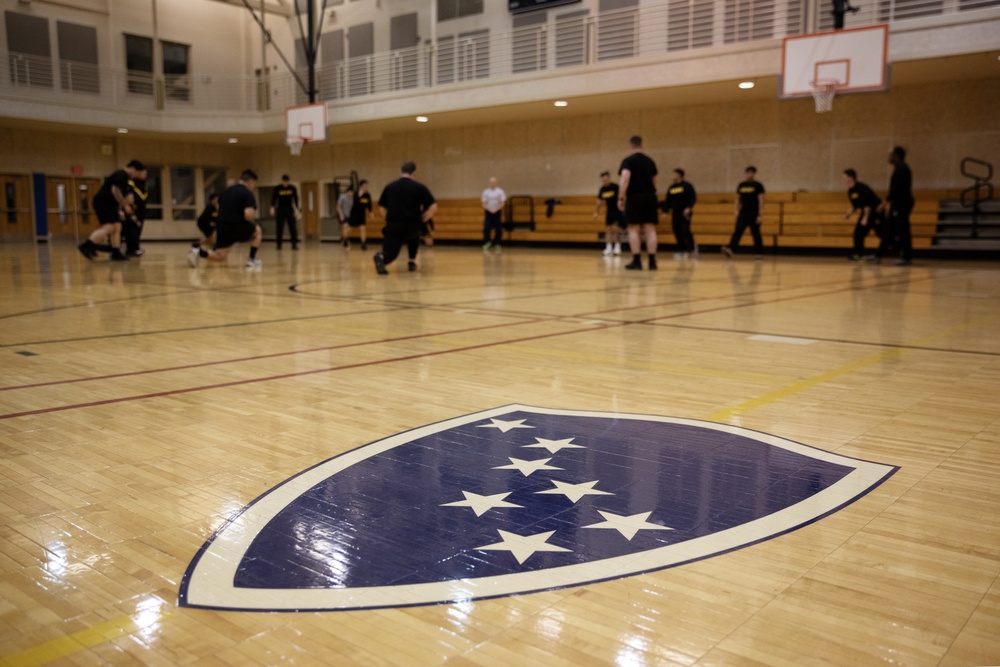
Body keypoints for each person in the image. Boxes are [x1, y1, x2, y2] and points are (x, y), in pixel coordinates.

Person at [188, 169, 262, 268]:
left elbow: (220, 208)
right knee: (257, 231)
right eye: (254, 184)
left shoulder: (226, 191)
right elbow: (248, 215)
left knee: (220, 256)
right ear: (251, 181)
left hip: (222, 227)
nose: (253, 187)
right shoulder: (246, 193)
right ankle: (251, 259)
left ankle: (198, 252)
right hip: (236, 226)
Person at [373, 161, 437, 275]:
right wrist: (424, 219)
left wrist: (388, 217)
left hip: (394, 225)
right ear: (414, 172)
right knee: (415, 236)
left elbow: (381, 206)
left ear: (401, 171)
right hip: (412, 225)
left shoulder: (390, 187)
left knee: (391, 253)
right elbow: (433, 206)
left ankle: (381, 256)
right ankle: (411, 261)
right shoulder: (419, 187)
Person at [78, 159, 146, 262]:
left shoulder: (126, 178)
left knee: (118, 226)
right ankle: (87, 245)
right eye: (137, 173)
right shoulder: (121, 175)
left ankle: (116, 252)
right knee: (110, 227)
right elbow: (115, 191)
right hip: (103, 203)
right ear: (132, 169)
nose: (136, 176)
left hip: (110, 205)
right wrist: (125, 205)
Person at [617, 135, 659, 270]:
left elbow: (625, 178)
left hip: (635, 197)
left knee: (633, 228)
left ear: (630, 146)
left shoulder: (628, 161)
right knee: (650, 229)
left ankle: (637, 260)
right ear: (641, 145)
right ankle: (652, 262)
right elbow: (654, 181)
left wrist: (621, 197)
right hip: (650, 196)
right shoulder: (650, 161)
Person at [876, 146, 914, 266]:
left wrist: (885, 203)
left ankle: (906, 257)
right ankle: (878, 255)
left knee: (902, 230)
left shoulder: (902, 169)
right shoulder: (900, 168)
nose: (889, 157)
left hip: (902, 203)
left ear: (897, 155)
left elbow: (896, 190)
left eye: (891, 154)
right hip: (899, 203)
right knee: (889, 229)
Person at [722, 166, 766, 258]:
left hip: (754, 213)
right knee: (737, 231)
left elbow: (761, 200)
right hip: (743, 213)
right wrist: (736, 210)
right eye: (747, 172)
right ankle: (731, 249)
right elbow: (737, 199)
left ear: (754, 174)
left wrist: (760, 214)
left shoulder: (758, 185)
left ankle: (759, 252)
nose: (749, 174)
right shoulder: (741, 185)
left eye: (751, 173)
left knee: (756, 233)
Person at [842, 168, 882, 261]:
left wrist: (865, 218)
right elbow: (855, 205)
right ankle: (858, 254)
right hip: (866, 212)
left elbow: (867, 205)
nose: (843, 180)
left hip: (876, 212)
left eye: (844, 177)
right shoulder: (851, 191)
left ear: (850, 178)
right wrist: (848, 214)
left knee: (882, 233)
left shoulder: (861, 188)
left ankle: (899, 251)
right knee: (858, 233)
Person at [662, 168, 697, 259]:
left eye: (675, 174)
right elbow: (668, 201)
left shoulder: (687, 186)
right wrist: (665, 211)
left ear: (679, 175)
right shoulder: (672, 188)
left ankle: (692, 247)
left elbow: (693, 198)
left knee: (685, 230)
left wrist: (689, 208)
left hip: (685, 213)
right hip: (675, 213)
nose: (673, 176)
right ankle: (682, 249)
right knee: (676, 230)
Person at [594, 171, 624, 256]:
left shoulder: (615, 187)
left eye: (606, 179)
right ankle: (608, 247)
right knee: (608, 229)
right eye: (603, 180)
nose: (605, 181)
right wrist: (596, 211)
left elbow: (622, 197)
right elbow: (599, 201)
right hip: (609, 211)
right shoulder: (602, 189)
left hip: (617, 210)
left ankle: (617, 246)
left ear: (609, 178)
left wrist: (623, 207)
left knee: (615, 228)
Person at [122, 171, 149, 257]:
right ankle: (131, 249)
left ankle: (135, 248)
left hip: (131, 221)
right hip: (123, 223)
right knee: (132, 228)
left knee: (135, 228)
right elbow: (129, 216)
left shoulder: (134, 206)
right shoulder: (125, 205)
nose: (133, 199)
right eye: (131, 197)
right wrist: (135, 220)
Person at [270, 174, 300, 250]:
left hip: (290, 209)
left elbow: (296, 199)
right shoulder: (277, 188)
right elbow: (274, 199)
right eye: (284, 182)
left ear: (289, 181)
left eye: (287, 182)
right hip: (280, 209)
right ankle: (279, 245)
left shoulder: (292, 188)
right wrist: (272, 207)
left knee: (293, 227)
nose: (286, 183)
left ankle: (294, 244)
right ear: (282, 181)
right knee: (279, 227)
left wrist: (296, 210)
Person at [481, 176, 506, 253]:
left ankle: (497, 243)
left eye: (494, 182)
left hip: (497, 212)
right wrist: (489, 210)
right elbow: (483, 203)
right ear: (490, 183)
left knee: (498, 228)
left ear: (496, 183)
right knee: (486, 227)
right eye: (491, 182)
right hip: (488, 212)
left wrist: (496, 210)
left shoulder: (500, 191)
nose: (492, 183)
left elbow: (502, 202)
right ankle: (487, 242)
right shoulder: (486, 192)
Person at [347, 180, 373, 250]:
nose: (366, 187)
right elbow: (355, 202)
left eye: (367, 186)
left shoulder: (367, 195)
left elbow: (369, 205)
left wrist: (371, 213)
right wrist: (359, 196)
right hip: (354, 213)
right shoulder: (355, 194)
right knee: (349, 229)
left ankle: (363, 244)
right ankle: (346, 240)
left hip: (362, 214)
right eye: (365, 186)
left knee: (363, 228)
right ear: (361, 187)